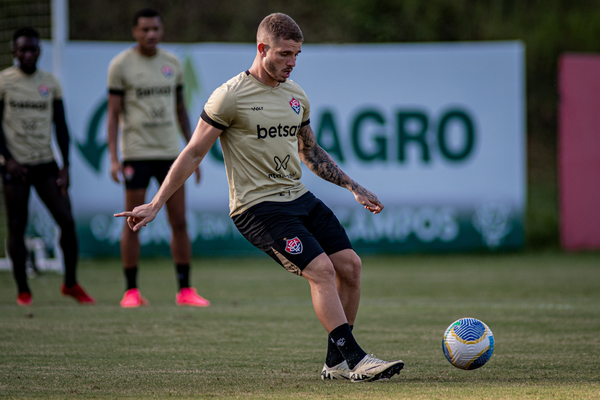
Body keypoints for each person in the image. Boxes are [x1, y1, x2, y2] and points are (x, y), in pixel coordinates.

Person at [115, 13, 403, 382]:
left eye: (297, 54)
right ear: (262, 48)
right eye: (284, 53)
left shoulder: (296, 96)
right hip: (258, 208)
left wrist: (353, 186)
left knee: (350, 266)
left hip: (299, 197)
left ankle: (335, 363)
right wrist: (156, 203)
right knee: (322, 271)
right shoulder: (229, 96)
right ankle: (356, 360)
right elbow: (192, 152)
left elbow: (310, 152)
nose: (292, 62)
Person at [107, 8, 209, 308]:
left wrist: (195, 151)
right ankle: (131, 291)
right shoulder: (121, 65)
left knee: (178, 221)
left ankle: (185, 290)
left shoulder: (172, 63)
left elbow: (180, 109)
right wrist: (114, 158)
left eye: (155, 29)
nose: (151, 34)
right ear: (134, 32)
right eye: (144, 30)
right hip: (136, 154)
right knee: (134, 221)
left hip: (170, 155)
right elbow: (112, 115)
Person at [0, 27, 95, 306]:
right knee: (16, 226)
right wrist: (8, 159)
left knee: (66, 221)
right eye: (22, 49)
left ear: (39, 50)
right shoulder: (4, 81)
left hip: (45, 164)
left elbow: (61, 127)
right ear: (14, 52)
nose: (28, 54)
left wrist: (65, 166)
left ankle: (70, 283)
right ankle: (23, 290)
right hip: (15, 167)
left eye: (32, 49)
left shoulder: (50, 83)